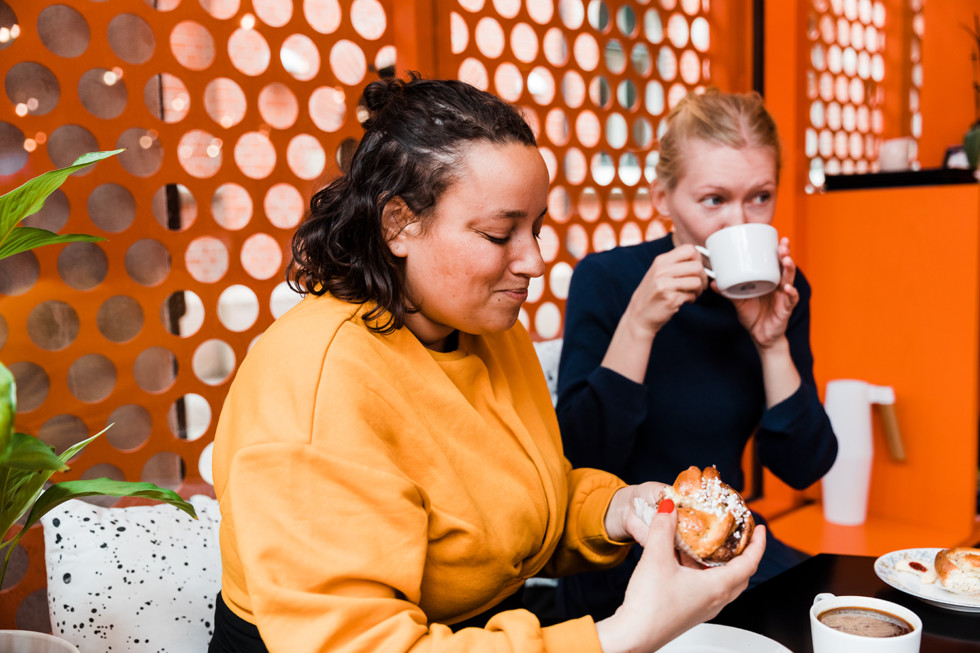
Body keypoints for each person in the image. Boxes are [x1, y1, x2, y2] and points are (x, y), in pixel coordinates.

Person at [207, 74, 765, 653]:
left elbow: (518, 503)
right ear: (399, 223)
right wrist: (627, 632)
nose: (535, 260)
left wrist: (620, 510)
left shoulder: (484, 330)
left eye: (536, 228)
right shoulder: (316, 381)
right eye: (500, 234)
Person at [553, 89, 838, 621]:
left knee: (835, 615)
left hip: (723, 548)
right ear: (664, 199)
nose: (739, 222)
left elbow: (805, 466)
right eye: (714, 200)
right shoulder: (609, 280)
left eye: (760, 197)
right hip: (617, 559)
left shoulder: (780, 295)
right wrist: (640, 323)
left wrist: (770, 342)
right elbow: (579, 460)